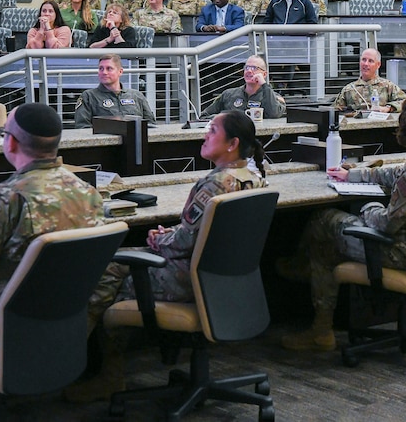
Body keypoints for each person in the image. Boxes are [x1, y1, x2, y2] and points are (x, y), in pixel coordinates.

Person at [68, 110, 268, 402]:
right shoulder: (252, 177)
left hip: (189, 278)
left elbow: (184, 241)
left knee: (107, 274)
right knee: (119, 261)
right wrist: (171, 234)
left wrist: (162, 239)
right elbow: (202, 230)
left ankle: (99, 372)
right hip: (220, 279)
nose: (204, 134)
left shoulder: (215, 183)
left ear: (232, 143)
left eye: (212, 130)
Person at [280, 93, 406, 351]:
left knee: (323, 222)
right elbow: (397, 173)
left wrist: (369, 207)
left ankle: (318, 322)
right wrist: (354, 175)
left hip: (398, 250)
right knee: (329, 243)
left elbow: (387, 223)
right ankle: (308, 276)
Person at [0, 103, 104, 348]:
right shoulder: (88, 193)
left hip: (0, 326)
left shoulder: (4, 199)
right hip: (66, 320)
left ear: (11, 143)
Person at [74, 54, 155, 128]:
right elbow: (82, 127)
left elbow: (151, 124)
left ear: (120, 71)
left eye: (109, 68)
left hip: (136, 141)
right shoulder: (89, 97)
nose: (104, 72)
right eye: (101, 69)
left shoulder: (136, 96)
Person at [202, 55, 286, 119]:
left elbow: (274, 113)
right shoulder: (228, 94)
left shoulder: (274, 98)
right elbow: (204, 116)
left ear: (264, 74)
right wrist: (223, 119)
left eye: (254, 68)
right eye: (247, 67)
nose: (249, 71)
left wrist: (264, 85)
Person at [333, 48, 406, 112]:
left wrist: (388, 108)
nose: (366, 64)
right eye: (363, 60)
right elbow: (335, 109)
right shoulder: (349, 89)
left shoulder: (388, 86)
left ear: (378, 64)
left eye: (370, 61)